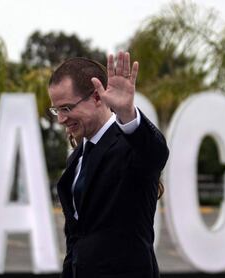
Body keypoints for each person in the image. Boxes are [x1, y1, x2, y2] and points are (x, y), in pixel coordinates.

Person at [48, 51, 169, 278]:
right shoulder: (76, 158)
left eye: (67, 108)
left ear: (96, 98)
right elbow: (77, 239)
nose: (61, 119)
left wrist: (128, 114)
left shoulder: (129, 144)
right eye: (56, 110)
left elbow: (156, 153)